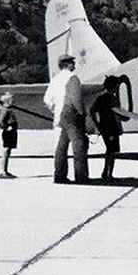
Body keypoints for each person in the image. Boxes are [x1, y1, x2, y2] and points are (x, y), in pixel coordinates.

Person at [46, 54, 89, 184]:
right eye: (71, 62)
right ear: (67, 64)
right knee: (79, 146)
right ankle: (81, 177)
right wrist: (82, 113)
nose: (74, 65)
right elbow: (76, 98)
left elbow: (47, 99)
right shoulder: (73, 78)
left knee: (61, 148)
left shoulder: (55, 79)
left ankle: (59, 176)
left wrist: (54, 109)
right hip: (71, 114)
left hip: (59, 115)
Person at [90, 75, 132, 181]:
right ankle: (107, 174)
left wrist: (97, 124)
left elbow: (92, 110)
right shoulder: (112, 99)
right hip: (112, 128)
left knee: (110, 150)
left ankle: (106, 172)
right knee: (111, 151)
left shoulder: (101, 98)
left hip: (105, 127)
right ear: (115, 86)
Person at [0, 92, 18, 179]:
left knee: (8, 151)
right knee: (6, 151)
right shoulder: (5, 110)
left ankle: (5, 170)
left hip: (12, 132)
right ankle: (3, 171)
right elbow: (0, 121)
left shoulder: (8, 109)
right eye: (12, 99)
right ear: (7, 101)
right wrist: (6, 128)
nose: (14, 101)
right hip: (8, 132)